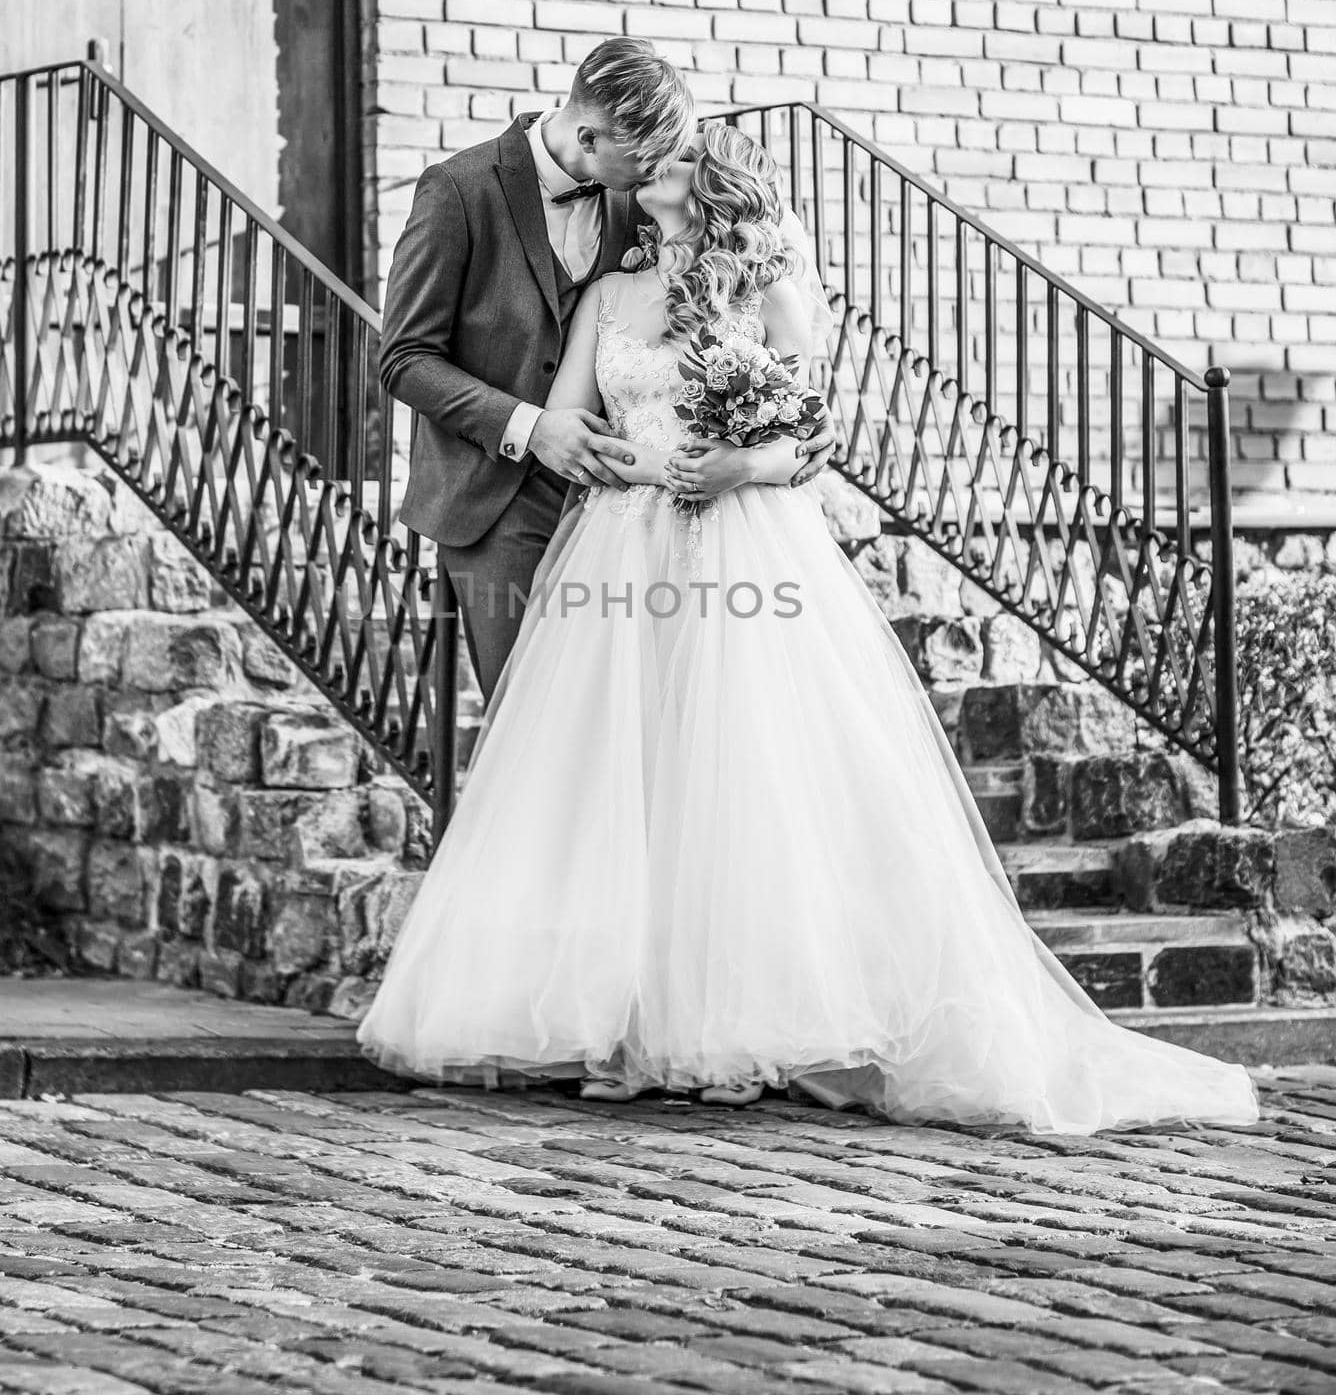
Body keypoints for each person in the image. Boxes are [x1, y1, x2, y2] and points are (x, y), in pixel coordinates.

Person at [356, 122, 1261, 1135]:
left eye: (685, 160)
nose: (660, 168)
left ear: (721, 186)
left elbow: (809, 440)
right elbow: (577, 424)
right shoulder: (607, 294)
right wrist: (633, 466)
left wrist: (738, 466)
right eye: (657, 156)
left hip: (742, 543)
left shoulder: (766, 293)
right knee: (631, 784)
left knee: (738, 786)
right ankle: (623, 1028)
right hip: (620, 543)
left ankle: (734, 1030)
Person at [377, 36, 834, 704]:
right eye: (646, 157)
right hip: (496, 501)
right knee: (534, 727)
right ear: (589, 135)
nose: (658, 170)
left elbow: (716, 304)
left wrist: (794, 434)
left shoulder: (642, 196)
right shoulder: (458, 191)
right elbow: (405, 358)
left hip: (635, 508)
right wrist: (533, 428)